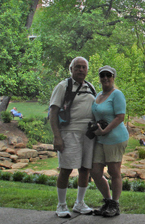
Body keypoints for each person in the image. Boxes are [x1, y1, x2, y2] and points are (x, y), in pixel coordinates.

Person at [49, 57, 96, 218]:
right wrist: (57, 137)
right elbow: (52, 113)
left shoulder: (90, 87)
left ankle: (79, 203)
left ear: (87, 70)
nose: (81, 70)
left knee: (85, 170)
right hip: (69, 133)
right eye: (77, 67)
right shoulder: (63, 87)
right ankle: (61, 205)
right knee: (66, 169)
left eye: (84, 67)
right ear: (71, 69)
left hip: (88, 135)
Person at [90, 65, 129, 217]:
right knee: (95, 172)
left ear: (113, 78)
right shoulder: (98, 95)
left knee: (114, 172)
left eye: (108, 75)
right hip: (100, 138)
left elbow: (120, 117)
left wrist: (105, 130)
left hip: (115, 138)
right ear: (99, 78)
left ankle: (115, 204)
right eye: (102, 75)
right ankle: (107, 201)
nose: (105, 78)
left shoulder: (117, 94)